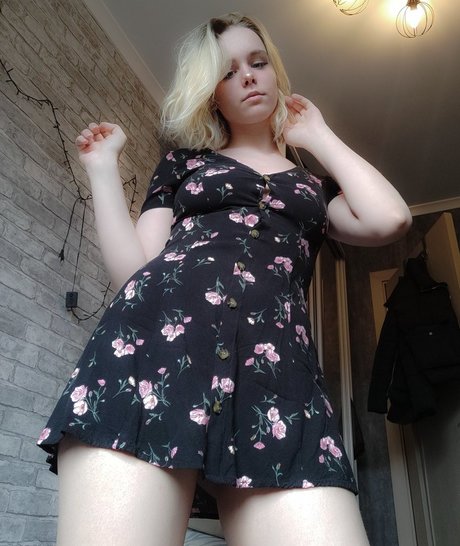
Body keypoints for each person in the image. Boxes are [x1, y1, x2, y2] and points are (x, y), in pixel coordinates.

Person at [37, 12, 412, 546]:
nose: (249, 76)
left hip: (278, 382)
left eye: (258, 62)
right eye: (228, 71)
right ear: (211, 93)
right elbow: (134, 273)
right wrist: (102, 169)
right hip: (151, 355)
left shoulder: (314, 187)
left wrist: (316, 133)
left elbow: (389, 219)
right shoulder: (184, 164)